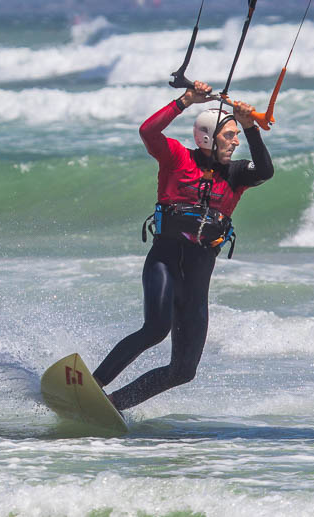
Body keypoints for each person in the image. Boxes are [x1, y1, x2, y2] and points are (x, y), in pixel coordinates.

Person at [93, 80, 274, 411]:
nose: (235, 142)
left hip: (198, 276)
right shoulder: (177, 157)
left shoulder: (235, 174)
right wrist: (185, 101)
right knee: (155, 329)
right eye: (229, 135)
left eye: (236, 136)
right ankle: (92, 385)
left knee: (184, 370)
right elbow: (148, 132)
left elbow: (266, 170)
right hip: (165, 260)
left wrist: (250, 128)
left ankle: (113, 404)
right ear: (207, 137)